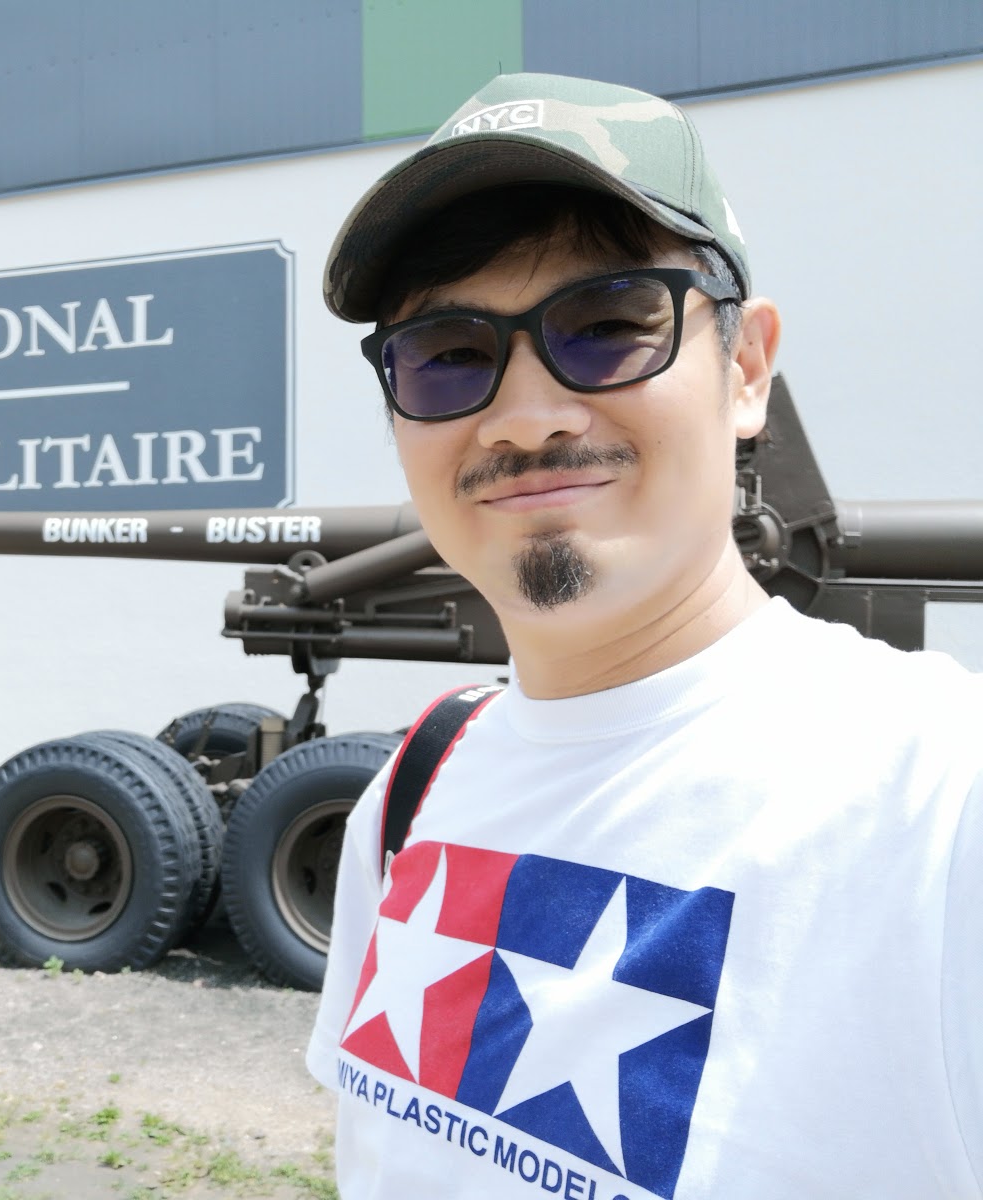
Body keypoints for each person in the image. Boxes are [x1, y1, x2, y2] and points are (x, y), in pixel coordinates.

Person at [306, 71, 983, 1199]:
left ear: (746, 370)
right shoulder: (414, 789)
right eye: (448, 354)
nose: (526, 418)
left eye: (609, 326)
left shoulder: (936, 809)